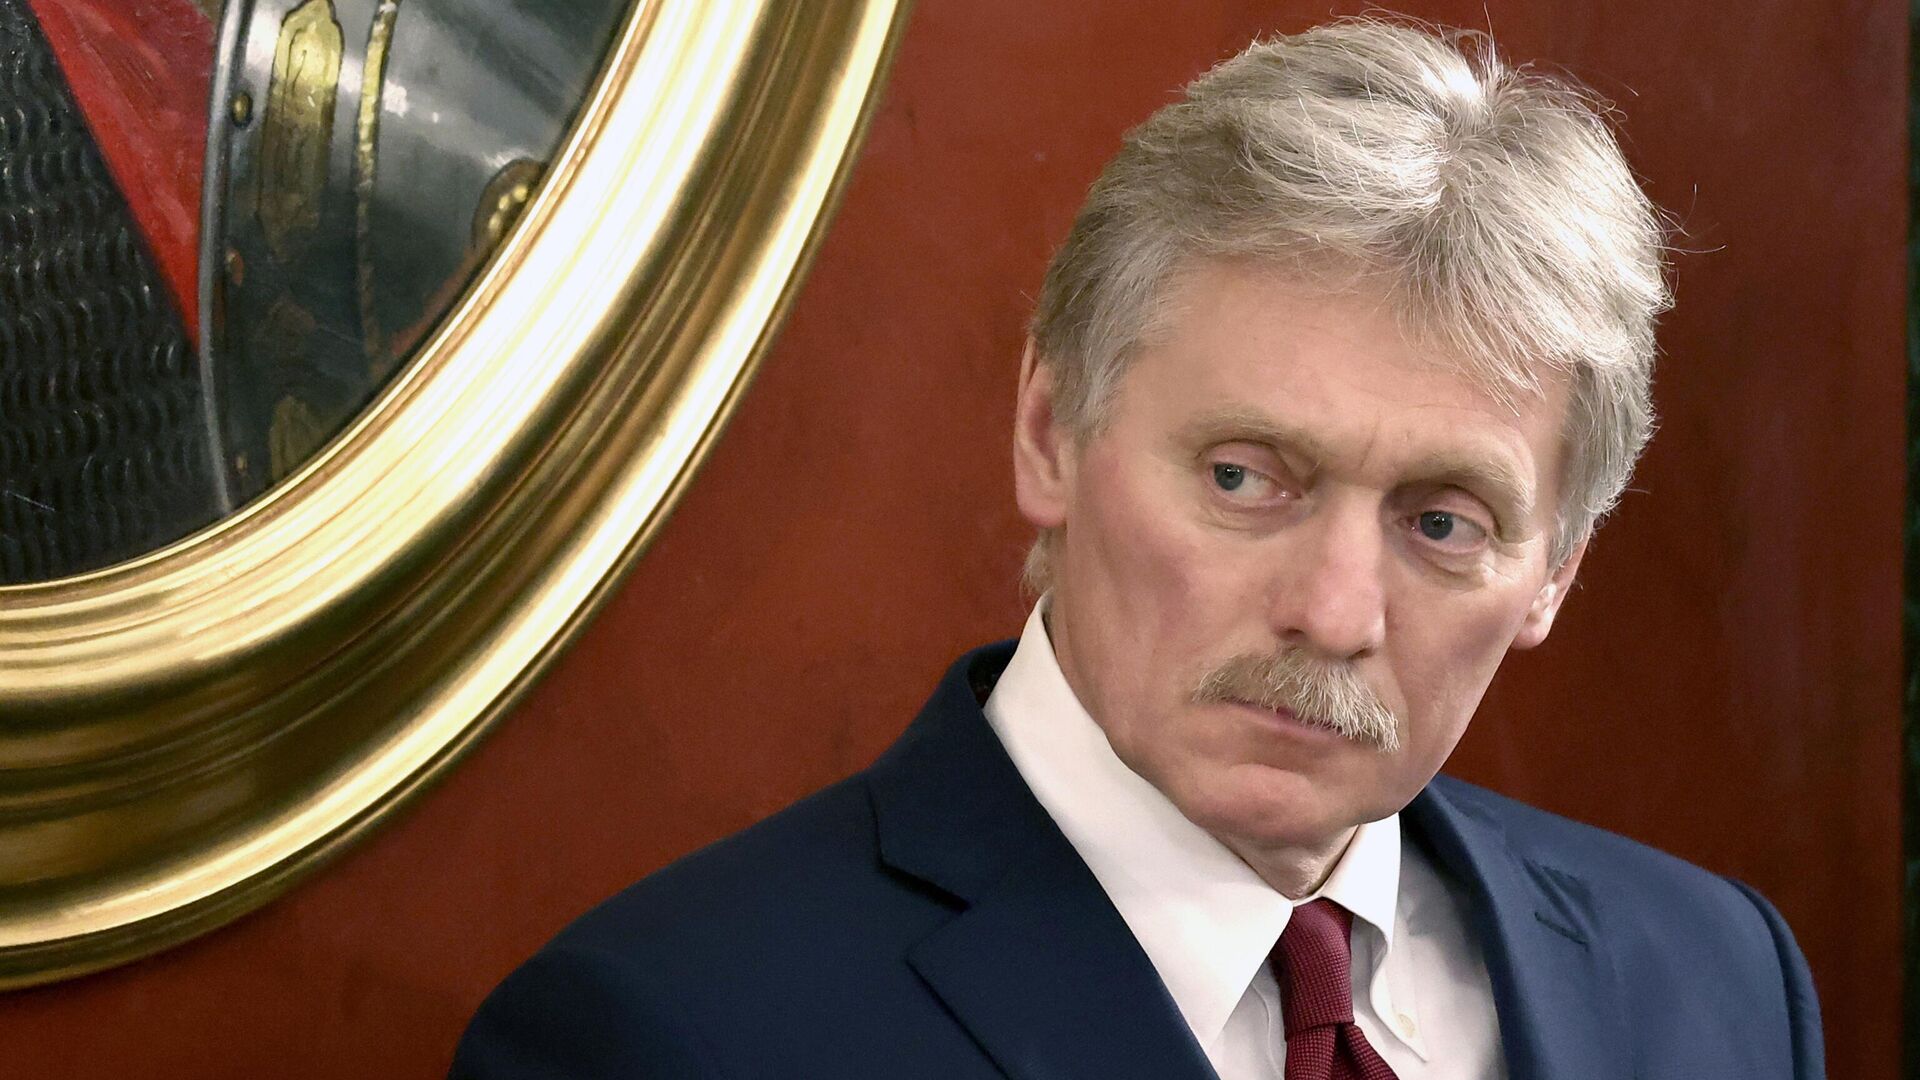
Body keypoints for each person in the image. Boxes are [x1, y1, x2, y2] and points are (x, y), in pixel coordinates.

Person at [451, 18, 1824, 1080]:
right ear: (1050, 435)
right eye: (1245, 479)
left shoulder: (1719, 984)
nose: (1335, 612)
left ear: (1557, 568)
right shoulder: (667, 1035)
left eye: (1441, 523)